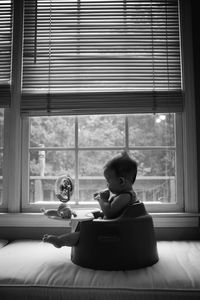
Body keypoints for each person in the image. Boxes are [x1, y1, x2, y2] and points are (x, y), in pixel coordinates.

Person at [42, 151, 138, 248]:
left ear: (121, 181)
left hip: (114, 231)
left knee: (84, 234)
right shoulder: (123, 195)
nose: (107, 185)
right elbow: (112, 211)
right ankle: (72, 234)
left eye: (108, 181)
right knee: (86, 222)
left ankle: (61, 241)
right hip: (111, 226)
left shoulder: (125, 197)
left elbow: (109, 213)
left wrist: (102, 199)